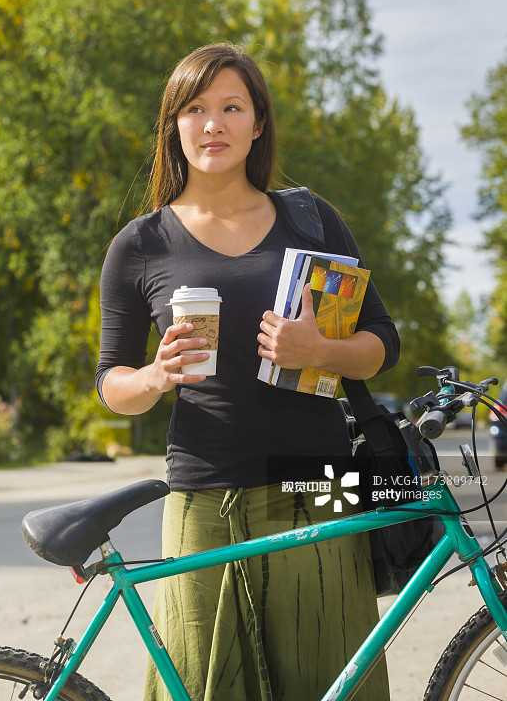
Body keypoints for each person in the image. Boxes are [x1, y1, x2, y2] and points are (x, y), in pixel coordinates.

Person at [96, 42, 400, 701]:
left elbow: (382, 342)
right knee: (204, 684)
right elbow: (111, 385)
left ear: (257, 122)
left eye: (231, 107)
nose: (213, 124)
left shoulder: (311, 219)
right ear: (172, 125)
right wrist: (153, 377)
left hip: (320, 480)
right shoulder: (139, 245)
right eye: (195, 108)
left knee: (332, 681)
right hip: (203, 489)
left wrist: (322, 351)